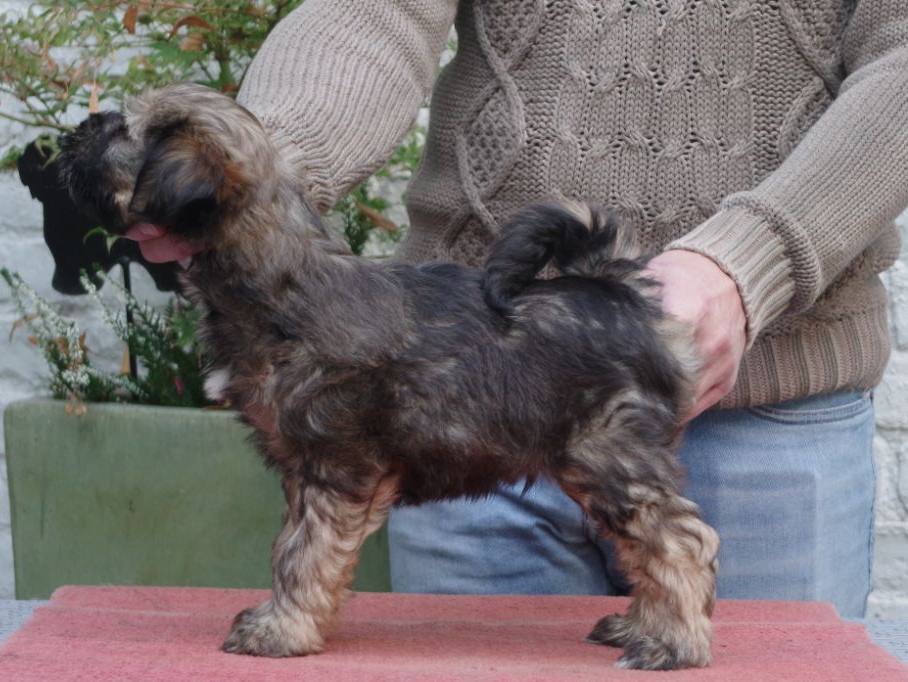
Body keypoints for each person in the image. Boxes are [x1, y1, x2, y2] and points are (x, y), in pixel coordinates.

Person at [127, 1, 907, 617]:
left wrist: (755, 259)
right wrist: (256, 167)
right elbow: (376, 12)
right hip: (461, 378)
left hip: (771, 422)